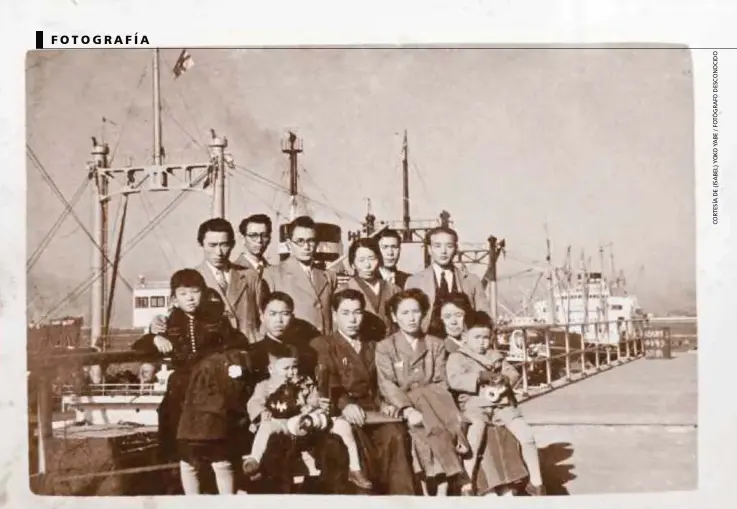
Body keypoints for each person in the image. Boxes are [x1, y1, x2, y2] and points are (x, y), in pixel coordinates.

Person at [131, 269, 250, 494]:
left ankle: (228, 501)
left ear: (203, 294)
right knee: (187, 454)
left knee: (219, 451)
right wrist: (155, 336)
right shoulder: (168, 323)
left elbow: (239, 342)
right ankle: (191, 502)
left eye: (195, 292)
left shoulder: (216, 320)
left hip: (212, 390)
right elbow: (139, 347)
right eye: (184, 294)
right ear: (174, 298)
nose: (190, 298)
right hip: (182, 393)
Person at [310, 289, 417, 495]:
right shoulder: (323, 345)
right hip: (340, 413)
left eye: (357, 312)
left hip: (373, 411)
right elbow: (327, 381)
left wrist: (388, 403)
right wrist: (345, 403)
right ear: (334, 314)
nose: (353, 319)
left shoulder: (374, 346)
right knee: (347, 444)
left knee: (395, 434)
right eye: (346, 313)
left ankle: (402, 500)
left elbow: (383, 381)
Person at [374, 289, 472, 496]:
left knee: (425, 414)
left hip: (433, 404)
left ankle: (438, 489)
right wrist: (407, 408)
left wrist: (420, 399)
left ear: (424, 313)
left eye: (416, 312)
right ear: (394, 316)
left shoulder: (434, 344)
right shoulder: (385, 347)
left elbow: (440, 382)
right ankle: (452, 476)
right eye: (404, 313)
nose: (411, 318)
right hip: (403, 406)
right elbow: (387, 384)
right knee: (421, 423)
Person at [446, 312, 545, 496]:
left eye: (486, 338)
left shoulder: (495, 356)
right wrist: (478, 377)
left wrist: (505, 380)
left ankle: (537, 482)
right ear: (465, 336)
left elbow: (513, 373)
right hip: (475, 406)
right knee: (474, 441)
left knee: (527, 436)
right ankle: (466, 483)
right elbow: (454, 380)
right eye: (477, 337)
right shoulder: (457, 357)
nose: (482, 342)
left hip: (502, 405)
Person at [242, 350, 372, 490]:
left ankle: (355, 468)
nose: (292, 372)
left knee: (342, 425)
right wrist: (262, 412)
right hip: (282, 423)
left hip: (307, 423)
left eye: (294, 367)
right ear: (271, 369)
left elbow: (314, 399)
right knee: (266, 427)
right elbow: (254, 403)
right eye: (286, 369)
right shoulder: (265, 386)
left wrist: (316, 404)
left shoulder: (306, 382)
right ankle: (255, 459)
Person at [149, 218, 266, 344]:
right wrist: (156, 324)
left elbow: (264, 316)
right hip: (212, 354)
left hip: (250, 350)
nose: (219, 252)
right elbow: (174, 315)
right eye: (212, 245)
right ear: (201, 244)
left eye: (224, 244)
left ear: (232, 244)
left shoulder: (250, 276)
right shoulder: (190, 278)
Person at [262, 216, 338, 341]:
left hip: (324, 347)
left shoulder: (329, 276)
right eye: (300, 241)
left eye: (311, 241)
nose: (306, 246)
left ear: (317, 243)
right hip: (293, 348)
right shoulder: (272, 275)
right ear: (289, 244)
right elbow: (264, 320)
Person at [404, 227, 489, 332]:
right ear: (429, 249)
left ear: (456, 249)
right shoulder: (414, 282)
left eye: (449, 246)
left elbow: (484, 317)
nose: (443, 251)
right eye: (437, 246)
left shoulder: (472, 281)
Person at [338, 237, 401, 342]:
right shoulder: (343, 290)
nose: (367, 265)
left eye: (372, 259)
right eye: (361, 260)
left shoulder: (394, 290)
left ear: (379, 260)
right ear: (353, 264)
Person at [248, 291, 316, 382]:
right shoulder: (252, 353)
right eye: (272, 314)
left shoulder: (305, 352)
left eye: (285, 314)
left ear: (292, 317)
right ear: (262, 317)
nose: (279, 320)